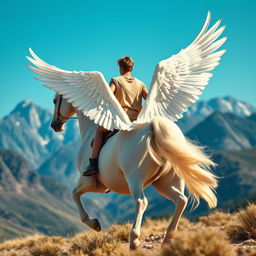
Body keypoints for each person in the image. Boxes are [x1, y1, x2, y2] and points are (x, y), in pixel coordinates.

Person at [83, 56, 148, 176]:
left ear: (121, 68)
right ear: (131, 68)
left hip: (120, 121)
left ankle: (93, 164)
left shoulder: (116, 81)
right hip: (136, 122)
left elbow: (107, 95)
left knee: (99, 131)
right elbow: (149, 100)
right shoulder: (141, 84)